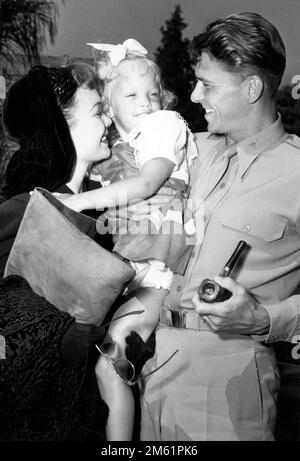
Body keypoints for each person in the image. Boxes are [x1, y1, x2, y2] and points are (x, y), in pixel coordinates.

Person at [140, 12, 300, 441]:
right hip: (153, 365)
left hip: (228, 379)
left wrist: (264, 317)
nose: (194, 95)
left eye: (208, 84)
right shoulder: (189, 150)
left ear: (252, 88)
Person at [58, 39, 198, 441]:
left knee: (111, 360)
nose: (146, 102)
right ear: (108, 100)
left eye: (153, 93)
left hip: (160, 268)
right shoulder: (120, 145)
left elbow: (147, 183)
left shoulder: (162, 126)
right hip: (132, 267)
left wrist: (77, 201)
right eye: (132, 93)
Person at [0, 62, 114, 440]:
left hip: (105, 403)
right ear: (59, 124)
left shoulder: (112, 206)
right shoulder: (22, 210)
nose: (109, 121)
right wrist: (54, 337)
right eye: (98, 111)